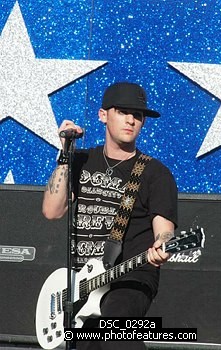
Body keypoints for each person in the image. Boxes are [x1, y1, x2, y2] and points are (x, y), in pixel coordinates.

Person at [42, 82, 178, 350]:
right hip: (82, 283)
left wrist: (163, 245)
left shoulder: (155, 173)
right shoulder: (79, 161)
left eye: (137, 115)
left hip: (131, 276)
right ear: (103, 115)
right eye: (123, 111)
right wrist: (65, 154)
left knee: (118, 332)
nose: (131, 120)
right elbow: (52, 211)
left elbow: (164, 228)